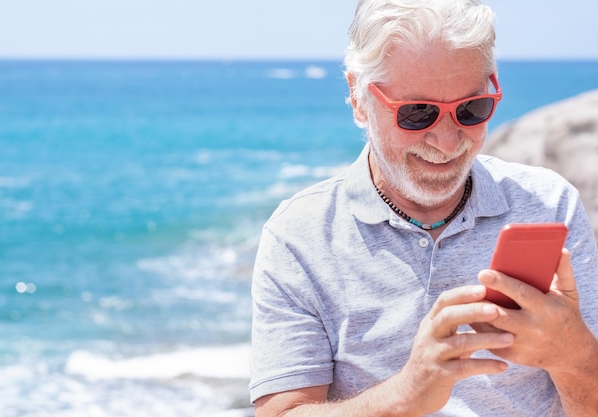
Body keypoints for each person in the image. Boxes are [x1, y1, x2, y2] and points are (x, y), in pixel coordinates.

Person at [249, 0, 598, 416]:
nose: (448, 143)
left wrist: (574, 356)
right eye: (418, 114)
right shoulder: (297, 236)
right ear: (359, 99)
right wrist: (405, 395)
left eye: (471, 109)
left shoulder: (548, 204)